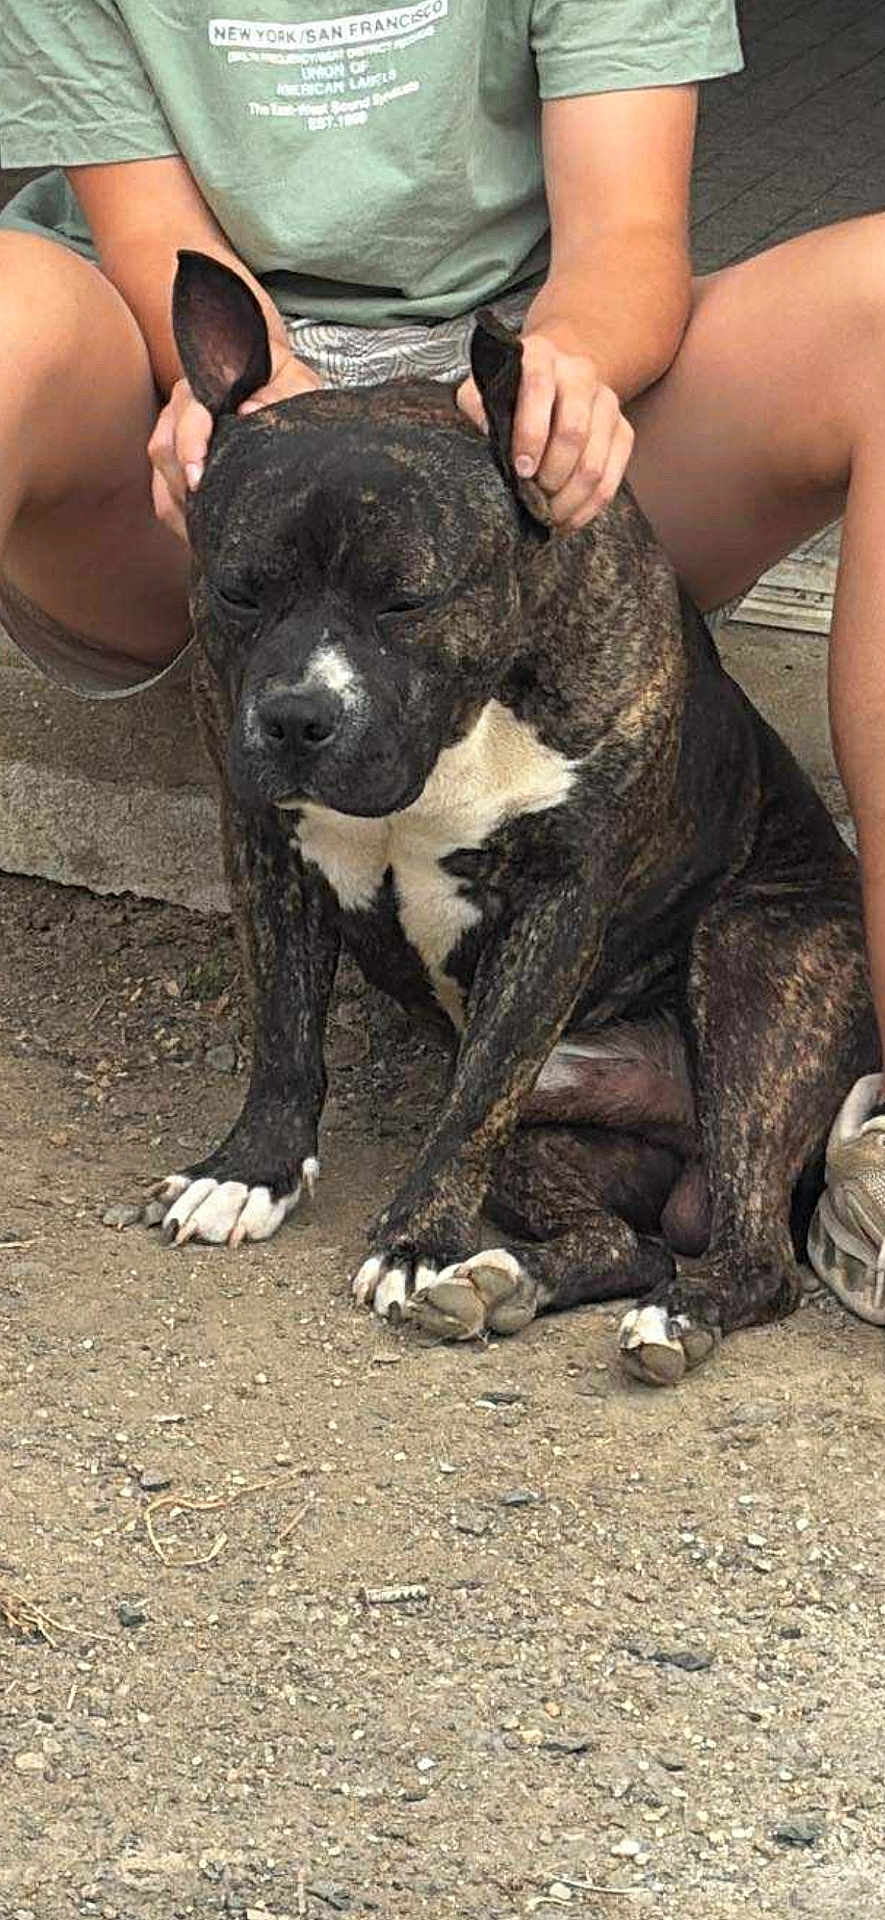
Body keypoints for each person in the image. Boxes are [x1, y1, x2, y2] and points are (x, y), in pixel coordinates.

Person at [0, 2, 883, 1317]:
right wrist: (248, 414)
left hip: (509, 423)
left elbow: (628, 242)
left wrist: (560, 375)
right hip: (204, 427)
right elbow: (161, 252)